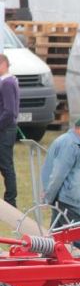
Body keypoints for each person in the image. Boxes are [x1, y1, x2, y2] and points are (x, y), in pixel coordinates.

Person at [41, 117, 80, 254]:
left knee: (55, 239)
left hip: (64, 199)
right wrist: (48, 198)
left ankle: (44, 263)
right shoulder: (70, 145)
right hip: (69, 201)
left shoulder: (73, 142)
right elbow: (58, 175)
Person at [0, 54, 19, 207]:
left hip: (5, 130)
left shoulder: (7, 82)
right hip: (5, 128)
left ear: (4, 64)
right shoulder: (7, 81)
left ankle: (10, 201)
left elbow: (9, 111)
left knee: (6, 165)